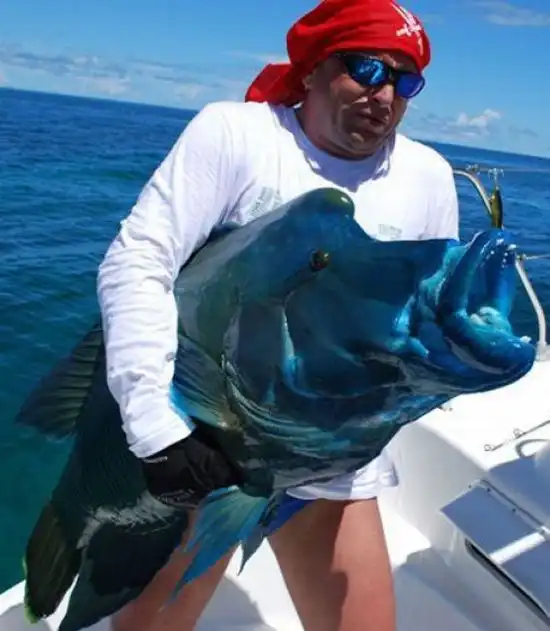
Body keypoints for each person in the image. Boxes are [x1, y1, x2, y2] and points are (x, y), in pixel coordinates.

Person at [96, 0, 459, 629]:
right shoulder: (236, 134)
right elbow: (139, 260)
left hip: (328, 457)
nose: (383, 94)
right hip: (212, 442)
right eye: (366, 68)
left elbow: (421, 319)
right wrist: (155, 429)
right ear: (313, 68)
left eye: (405, 81)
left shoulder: (428, 176)